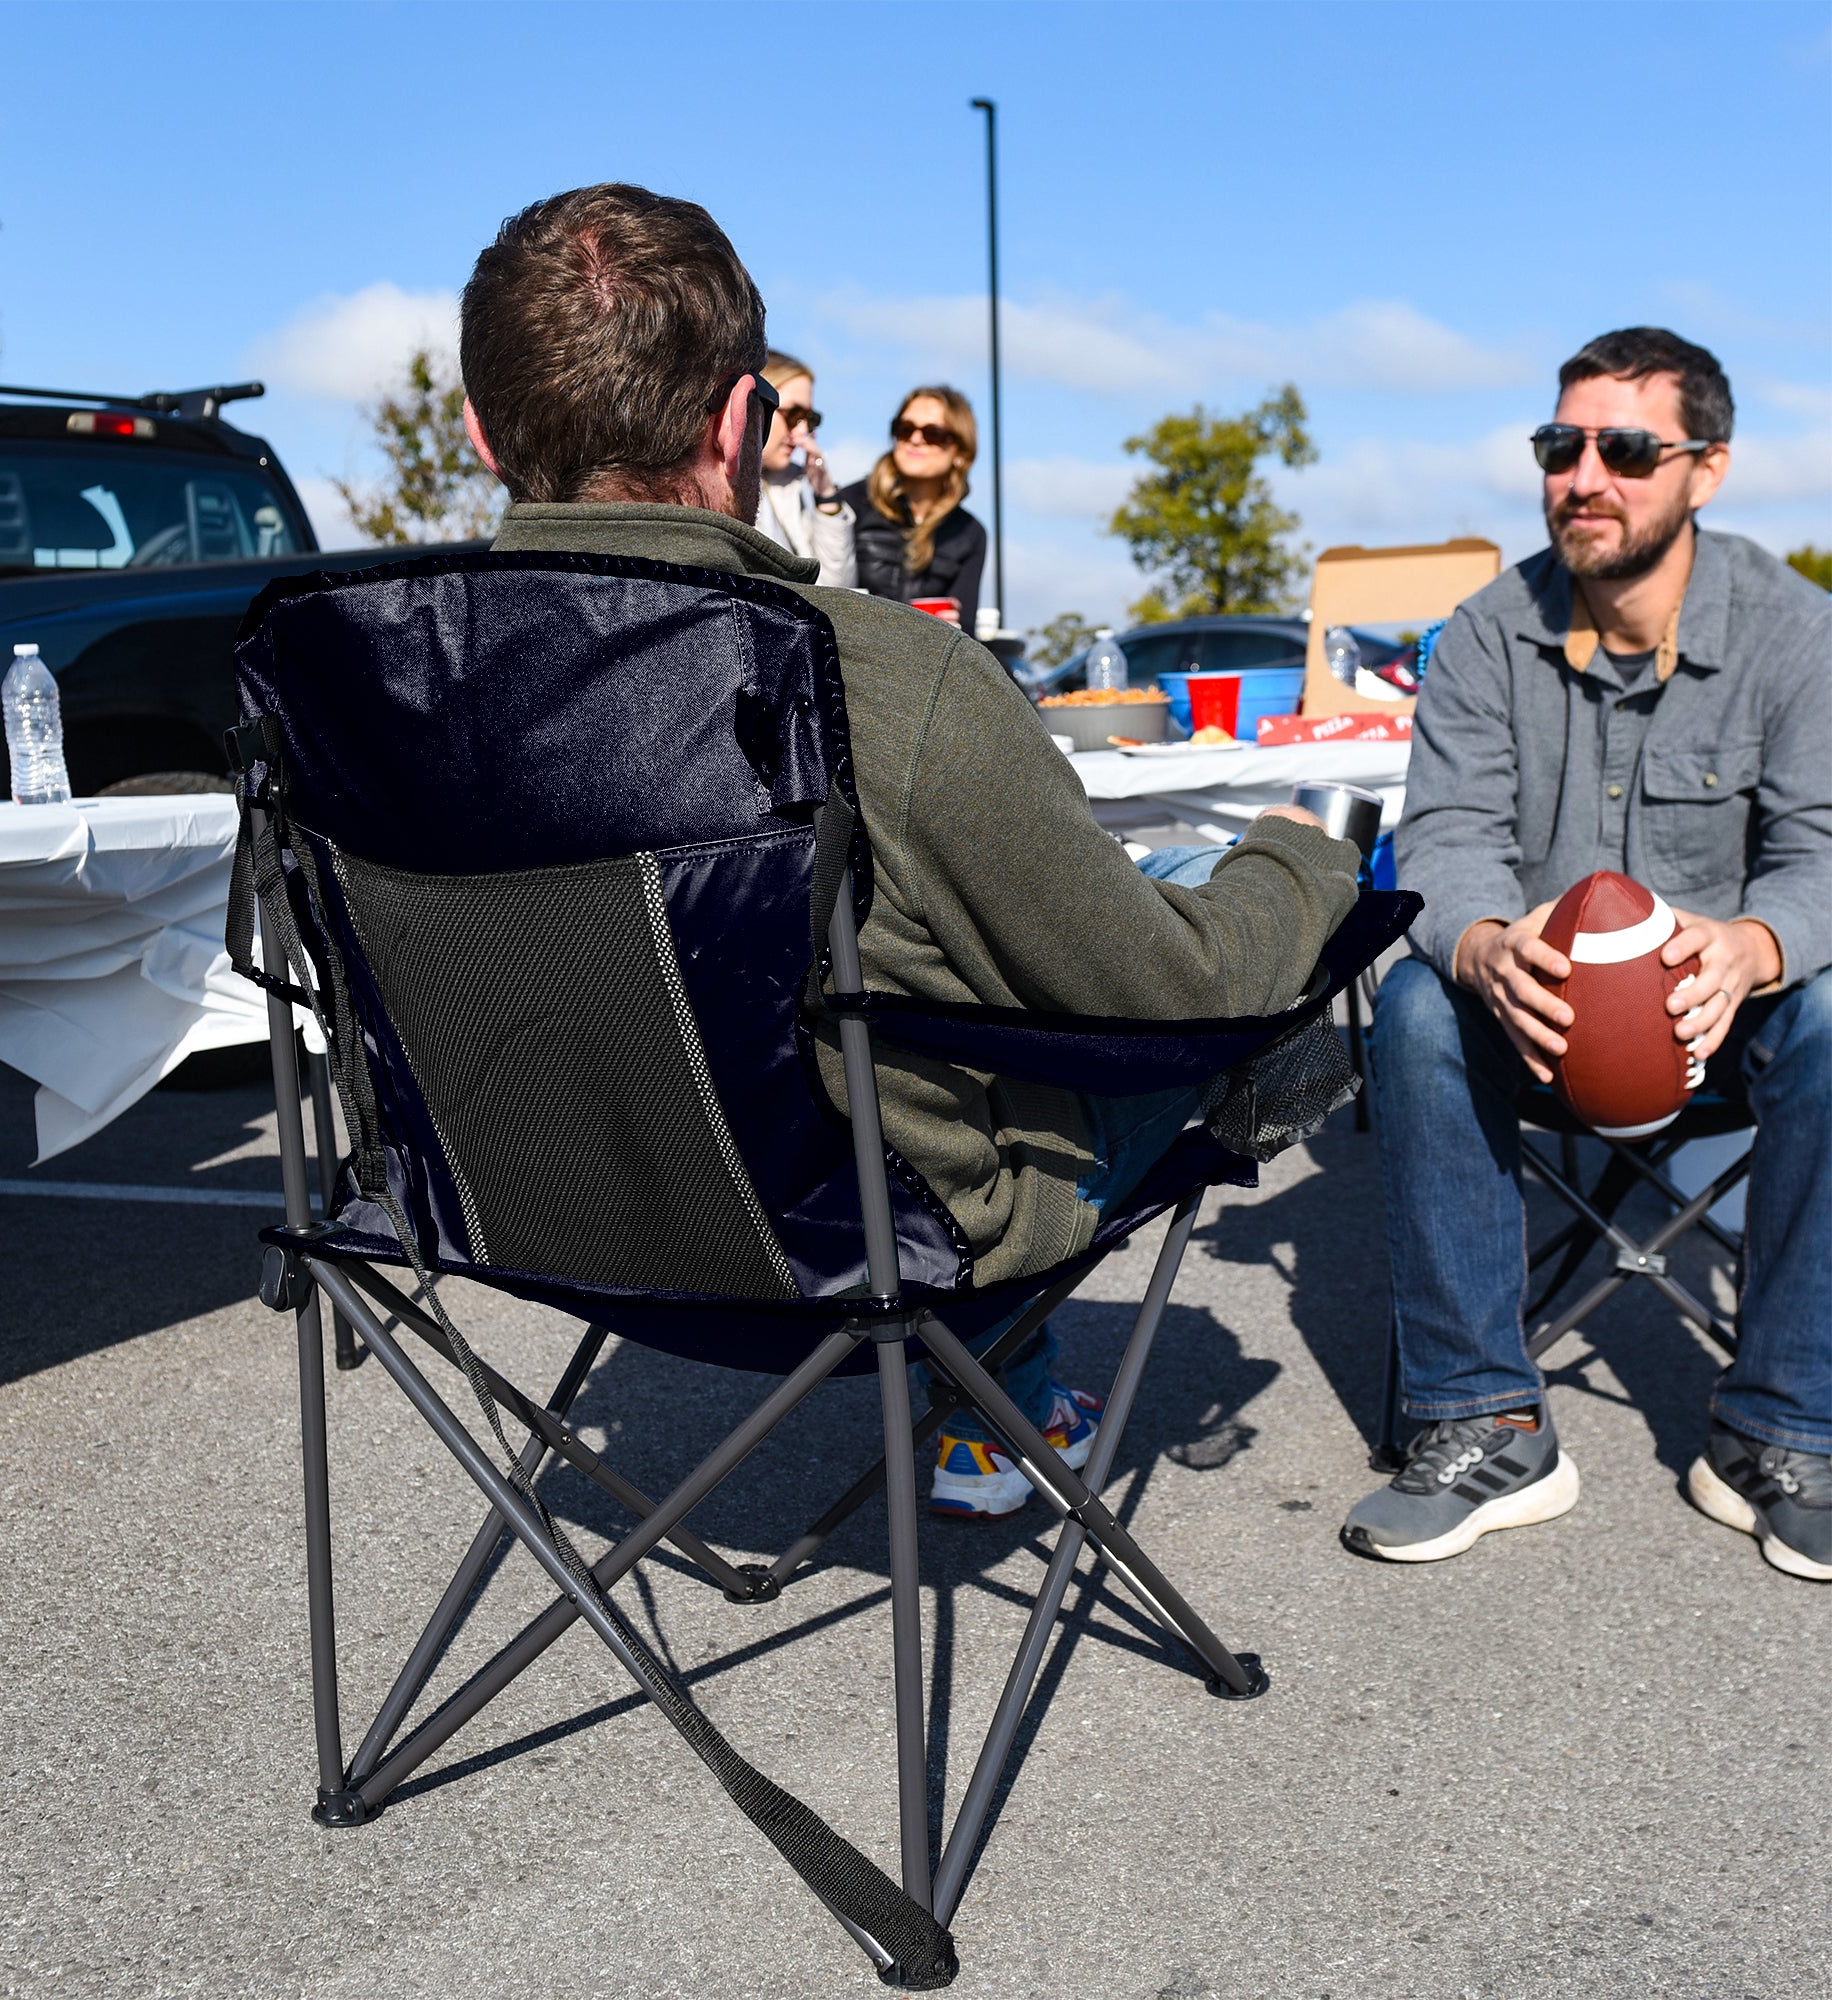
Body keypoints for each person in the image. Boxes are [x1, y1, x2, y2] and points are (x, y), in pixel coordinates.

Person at [457, 184, 1360, 1517]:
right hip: (859, 1243)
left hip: (528, 1214)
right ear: (739, 423)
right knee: (1237, 945)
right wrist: (1302, 866)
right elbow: (1164, 993)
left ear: (480, 432)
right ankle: (1002, 1397)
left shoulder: (385, 688)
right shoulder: (875, 676)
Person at [1346, 327, 1832, 1581]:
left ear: (1704, 469)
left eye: (1623, 448)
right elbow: (1442, 833)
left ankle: (1781, 1428)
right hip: (1536, 1020)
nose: (1582, 476)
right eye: (1560, 446)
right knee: (1413, 1001)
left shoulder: (1791, 631)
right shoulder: (1484, 631)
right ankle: (1482, 1419)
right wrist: (1484, 940)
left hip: (1721, 1020)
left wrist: (1755, 943)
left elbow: (1822, 849)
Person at [840, 386, 986, 626]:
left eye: (933, 434)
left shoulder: (970, 533)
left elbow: (967, 632)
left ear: (960, 452)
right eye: (905, 429)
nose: (915, 440)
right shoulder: (852, 503)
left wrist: (952, 628)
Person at [753, 350, 856, 586]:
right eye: (793, 415)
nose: (802, 432)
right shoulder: (715, 480)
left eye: (809, 420)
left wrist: (826, 496)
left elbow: (837, 591)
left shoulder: (795, 486)